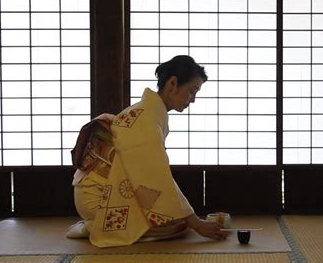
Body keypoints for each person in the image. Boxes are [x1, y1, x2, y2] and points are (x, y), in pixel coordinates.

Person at [66, 55, 228, 247]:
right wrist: (195, 222)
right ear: (173, 83)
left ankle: (97, 223)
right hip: (98, 196)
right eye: (192, 91)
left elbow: (152, 175)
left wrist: (188, 218)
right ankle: (95, 225)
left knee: (176, 220)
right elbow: (155, 177)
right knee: (176, 226)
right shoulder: (145, 119)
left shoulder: (148, 113)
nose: (192, 100)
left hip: (106, 189)